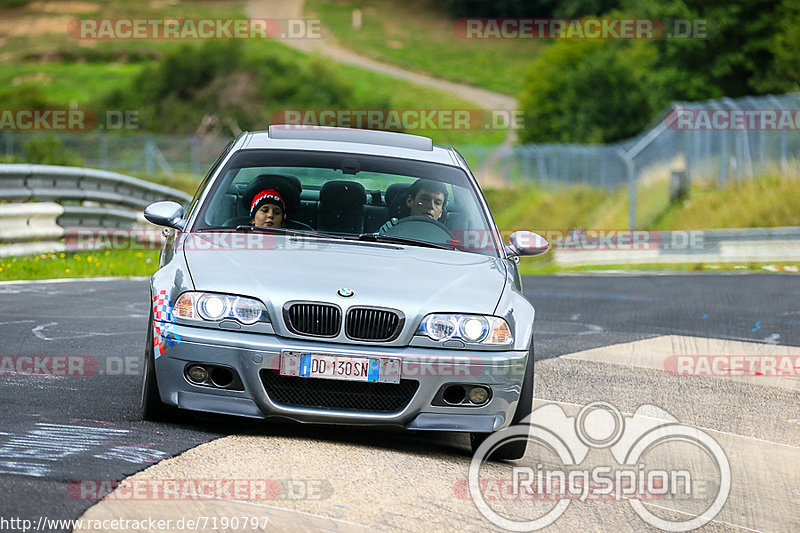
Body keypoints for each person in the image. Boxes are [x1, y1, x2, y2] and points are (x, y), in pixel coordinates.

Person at [379, 179, 448, 234]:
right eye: (424, 199)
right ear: (409, 201)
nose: (431, 206)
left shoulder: (448, 244)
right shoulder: (388, 232)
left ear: (441, 212)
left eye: (437, 203)